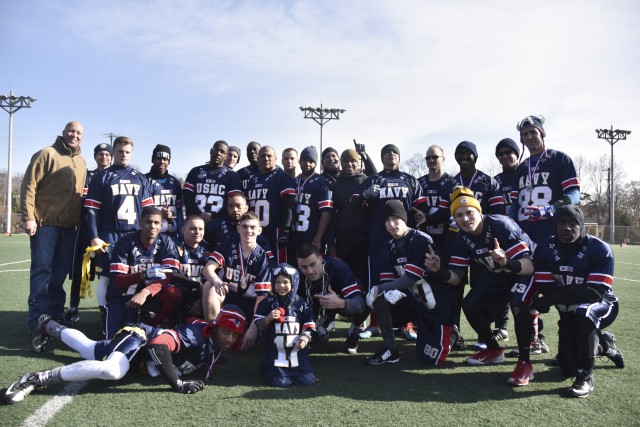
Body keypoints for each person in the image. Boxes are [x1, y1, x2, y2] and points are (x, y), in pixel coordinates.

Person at [4, 306, 246, 404]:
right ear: (216, 328)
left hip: (136, 356)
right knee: (111, 370)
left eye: (234, 335)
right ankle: (37, 378)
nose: (229, 339)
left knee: (89, 348)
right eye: (226, 332)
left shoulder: (213, 350)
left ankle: (49, 325)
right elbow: (158, 347)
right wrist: (178, 383)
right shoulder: (197, 335)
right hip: (140, 339)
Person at [424, 188, 538, 386]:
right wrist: (438, 270)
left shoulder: (501, 225)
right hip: (499, 272)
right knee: (469, 304)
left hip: (525, 269)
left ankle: (525, 362)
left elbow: (528, 267)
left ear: (480, 211)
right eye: (459, 215)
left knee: (518, 302)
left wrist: (506, 263)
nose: (465, 218)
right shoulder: (462, 237)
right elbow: (456, 277)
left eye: (469, 212)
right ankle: (494, 350)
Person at [532, 205, 624, 398]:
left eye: (573, 223)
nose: (567, 228)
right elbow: (545, 287)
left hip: (602, 306)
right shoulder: (545, 248)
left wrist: (552, 297)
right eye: (561, 223)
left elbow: (594, 294)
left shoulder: (599, 249)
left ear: (582, 225)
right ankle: (604, 344)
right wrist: (561, 294)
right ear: (554, 226)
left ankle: (586, 377)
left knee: (585, 310)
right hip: (568, 309)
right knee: (567, 367)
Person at [20, 121, 87, 352]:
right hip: (46, 225)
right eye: (71, 131)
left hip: (69, 229)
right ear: (63, 132)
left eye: (79, 133)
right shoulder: (46, 153)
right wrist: (29, 217)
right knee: (42, 274)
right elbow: (29, 186)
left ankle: (55, 320)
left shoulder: (81, 162)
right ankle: (35, 323)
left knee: (59, 275)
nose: (74, 135)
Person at [364, 200, 456, 366]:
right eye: (387, 220)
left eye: (395, 218)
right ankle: (390, 349)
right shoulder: (387, 246)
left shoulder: (420, 240)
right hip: (412, 298)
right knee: (381, 302)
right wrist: (383, 292)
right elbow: (389, 280)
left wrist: (378, 288)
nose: (391, 224)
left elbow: (410, 279)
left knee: (431, 360)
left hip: (433, 301)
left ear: (404, 218)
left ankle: (450, 331)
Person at [85, 136, 156, 335]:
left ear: (131, 153)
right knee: (107, 277)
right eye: (120, 151)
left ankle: (130, 315)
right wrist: (94, 236)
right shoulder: (102, 177)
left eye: (127, 152)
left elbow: (149, 211)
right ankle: (105, 315)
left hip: (134, 234)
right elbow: (91, 210)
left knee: (134, 276)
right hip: (109, 234)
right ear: (113, 152)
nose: (123, 155)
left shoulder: (141, 178)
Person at [354, 143, 427, 340]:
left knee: (406, 280)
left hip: (405, 240)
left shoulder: (410, 180)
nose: (391, 155)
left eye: (394, 152)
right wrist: (365, 195)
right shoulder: (373, 179)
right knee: (378, 281)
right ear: (381, 158)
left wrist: (423, 216)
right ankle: (376, 323)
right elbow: (355, 205)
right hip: (378, 238)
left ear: (399, 157)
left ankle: (407, 324)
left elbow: (421, 208)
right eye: (386, 153)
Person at [105, 207, 181, 338]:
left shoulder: (167, 242)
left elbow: (168, 276)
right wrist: (143, 275)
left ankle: (152, 324)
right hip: (125, 294)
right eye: (148, 222)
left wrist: (145, 292)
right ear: (140, 223)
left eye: (157, 223)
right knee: (115, 339)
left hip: (151, 293)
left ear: (161, 224)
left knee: (174, 294)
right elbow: (117, 279)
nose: (153, 226)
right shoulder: (126, 242)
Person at [201, 212, 272, 350]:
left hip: (250, 304)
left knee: (249, 345)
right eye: (244, 227)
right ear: (238, 229)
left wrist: (253, 328)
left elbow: (262, 296)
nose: (248, 231)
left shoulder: (263, 256)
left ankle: (244, 332)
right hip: (228, 295)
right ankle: (214, 339)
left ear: (259, 230)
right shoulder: (228, 244)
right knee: (209, 286)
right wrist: (217, 281)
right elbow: (208, 269)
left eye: (252, 227)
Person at [510, 114, 581, 244]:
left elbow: (575, 194)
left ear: (542, 133)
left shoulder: (560, 159)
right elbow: (514, 204)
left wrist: (552, 208)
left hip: (552, 231)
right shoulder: (520, 169)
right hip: (524, 234)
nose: (529, 137)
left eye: (533, 132)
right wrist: (509, 226)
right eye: (525, 134)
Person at [66, 142, 113, 325]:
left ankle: (108, 311)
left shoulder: (115, 176)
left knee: (109, 273)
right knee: (80, 270)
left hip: (107, 232)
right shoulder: (87, 176)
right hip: (87, 231)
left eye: (107, 154)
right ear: (95, 157)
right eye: (100, 154)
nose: (104, 157)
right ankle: (73, 308)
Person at [296, 244, 368, 354]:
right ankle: (324, 326)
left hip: (341, 301)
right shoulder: (297, 276)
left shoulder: (338, 268)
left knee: (369, 300)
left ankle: (354, 329)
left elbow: (360, 304)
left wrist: (340, 303)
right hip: (317, 307)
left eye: (313, 265)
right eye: (304, 267)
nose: (309, 271)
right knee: (316, 340)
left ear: (321, 259)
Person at [255, 264, 316, 387]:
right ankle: (268, 366)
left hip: (296, 354)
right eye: (277, 282)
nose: (281, 286)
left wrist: (304, 338)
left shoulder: (301, 304)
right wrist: (268, 318)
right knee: (281, 382)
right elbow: (259, 326)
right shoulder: (267, 303)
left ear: (294, 282)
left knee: (307, 381)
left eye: (286, 282)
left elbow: (309, 326)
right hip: (277, 354)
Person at [327, 148, 371, 288]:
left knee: (363, 274)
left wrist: (365, 155)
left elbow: (375, 174)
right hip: (343, 239)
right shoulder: (335, 185)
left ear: (358, 163)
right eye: (345, 161)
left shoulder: (365, 180)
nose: (349, 164)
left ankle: (364, 305)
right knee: (344, 274)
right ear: (341, 163)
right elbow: (331, 215)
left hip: (364, 239)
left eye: (353, 161)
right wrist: (332, 243)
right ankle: (346, 303)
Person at [245, 146, 296, 263]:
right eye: (262, 156)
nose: (266, 158)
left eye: (269, 156)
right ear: (258, 159)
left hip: (275, 230)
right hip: (255, 230)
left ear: (276, 158)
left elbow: (289, 205)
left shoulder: (283, 177)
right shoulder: (253, 180)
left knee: (277, 265)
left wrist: (286, 230)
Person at [183, 140, 243, 222]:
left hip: (220, 222)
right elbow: (187, 197)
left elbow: (233, 202)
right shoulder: (195, 171)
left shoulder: (232, 175)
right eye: (216, 150)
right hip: (195, 220)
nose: (218, 153)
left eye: (222, 152)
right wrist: (199, 214)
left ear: (225, 156)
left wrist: (214, 219)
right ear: (211, 151)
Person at [290, 146, 333, 259]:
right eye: (305, 160)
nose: (307, 163)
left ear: (316, 164)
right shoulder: (294, 181)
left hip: (311, 236)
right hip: (294, 235)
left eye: (311, 161)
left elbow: (326, 212)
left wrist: (318, 238)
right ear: (300, 161)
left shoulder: (321, 182)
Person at [204, 193, 273, 260]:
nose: (235, 209)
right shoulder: (215, 225)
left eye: (238, 206)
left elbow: (269, 260)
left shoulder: (253, 231)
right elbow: (202, 247)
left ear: (246, 208)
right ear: (227, 208)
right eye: (231, 206)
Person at [172, 215, 210, 320]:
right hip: (178, 295)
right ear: (183, 230)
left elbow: (209, 281)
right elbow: (170, 275)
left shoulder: (209, 250)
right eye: (193, 228)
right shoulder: (172, 245)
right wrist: (197, 285)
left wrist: (202, 301)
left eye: (200, 229)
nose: (197, 232)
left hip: (198, 297)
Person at [146, 144, 184, 239]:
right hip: (151, 236)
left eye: (165, 159)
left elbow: (179, 211)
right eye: (158, 158)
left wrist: (182, 236)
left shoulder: (175, 182)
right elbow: (141, 212)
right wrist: (159, 215)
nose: (162, 162)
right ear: (153, 160)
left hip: (172, 236)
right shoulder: (144, 180)